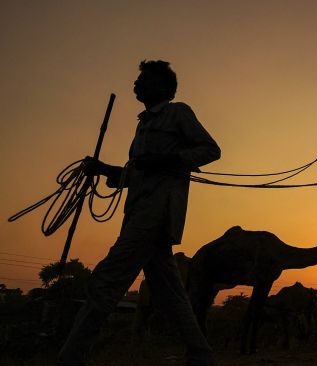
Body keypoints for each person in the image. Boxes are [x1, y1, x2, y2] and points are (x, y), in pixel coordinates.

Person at [57, 60, 220, 366]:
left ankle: (70, 358)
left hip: (155, 216)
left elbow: (210, 150)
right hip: (138, 215)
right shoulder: (142, 125)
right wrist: (102, 169)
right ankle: (201, 355)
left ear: (161, 86)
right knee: (171, 292)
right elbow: (136, 174)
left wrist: (166, 160)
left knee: (105, 281)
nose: (136, 84)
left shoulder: (177, 112)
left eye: (142, 80)